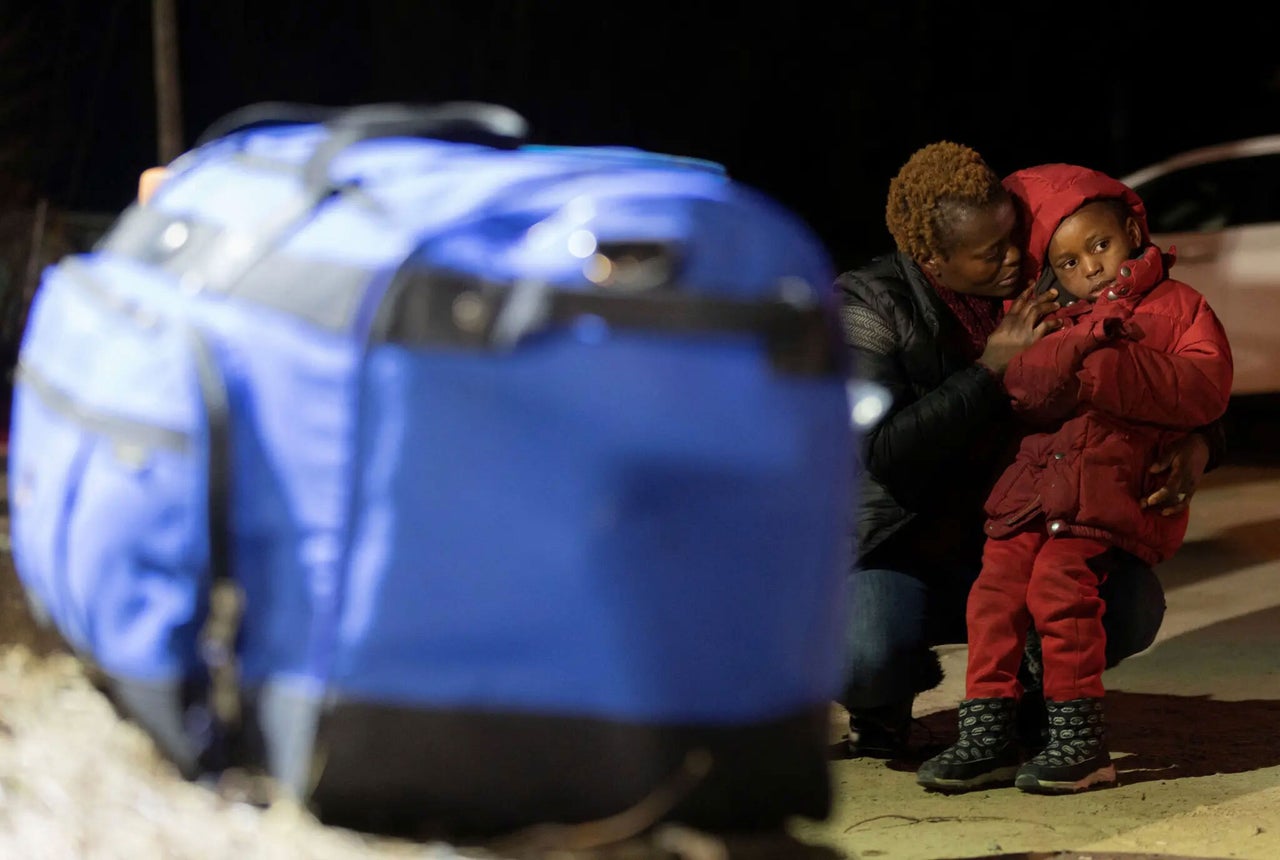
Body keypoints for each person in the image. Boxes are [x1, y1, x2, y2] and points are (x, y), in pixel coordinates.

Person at [835, 142, 1225, 760]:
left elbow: (1161, 368)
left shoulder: (1046, 278)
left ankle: (1030, 697)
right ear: (933, 258)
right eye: (991, 253)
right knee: (864, 651)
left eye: (1014, 238)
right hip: (907, 549)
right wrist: (989, 372)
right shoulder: (869, 308)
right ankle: (880, 710)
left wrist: (1201, 442)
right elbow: (881, 453)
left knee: (1129, 604)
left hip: (1024, 529)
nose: (1017, 258)